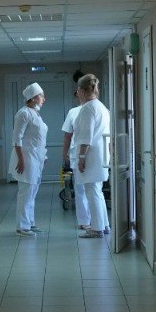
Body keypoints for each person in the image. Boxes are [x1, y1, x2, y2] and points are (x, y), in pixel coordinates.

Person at [72, 73, 111, 239]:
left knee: (92, 192)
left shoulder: (88, 108)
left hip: (91, 156)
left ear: (82, 90)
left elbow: (86, 136)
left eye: (78, 91)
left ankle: (96, 229)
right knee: (97, 191)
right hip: (101, 155)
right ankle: (104, 225)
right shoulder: (100, 106)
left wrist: (81, 158)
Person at [11, 82, 47, 237]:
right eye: (41, 96)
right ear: (33, 98)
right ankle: (22, 227)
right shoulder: (23, 113)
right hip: (27, 158)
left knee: (32, 193)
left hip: (37, 158)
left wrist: (43, 156)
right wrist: (21, 160)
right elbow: (16, 139)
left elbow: (38, 138)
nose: (44, 99)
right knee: (26, 193)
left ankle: (30, 223)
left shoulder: (35, 113)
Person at [61, 86, 90, 230]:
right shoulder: (73, 112)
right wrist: (65, 153)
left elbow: (68, 136)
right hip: (78, 154)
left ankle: (91, 222)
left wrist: (65, 153)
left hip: (88, 154)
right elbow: (68, 134)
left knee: (89, 190)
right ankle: (86, 221)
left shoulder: (96, 109)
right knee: (83, 189)